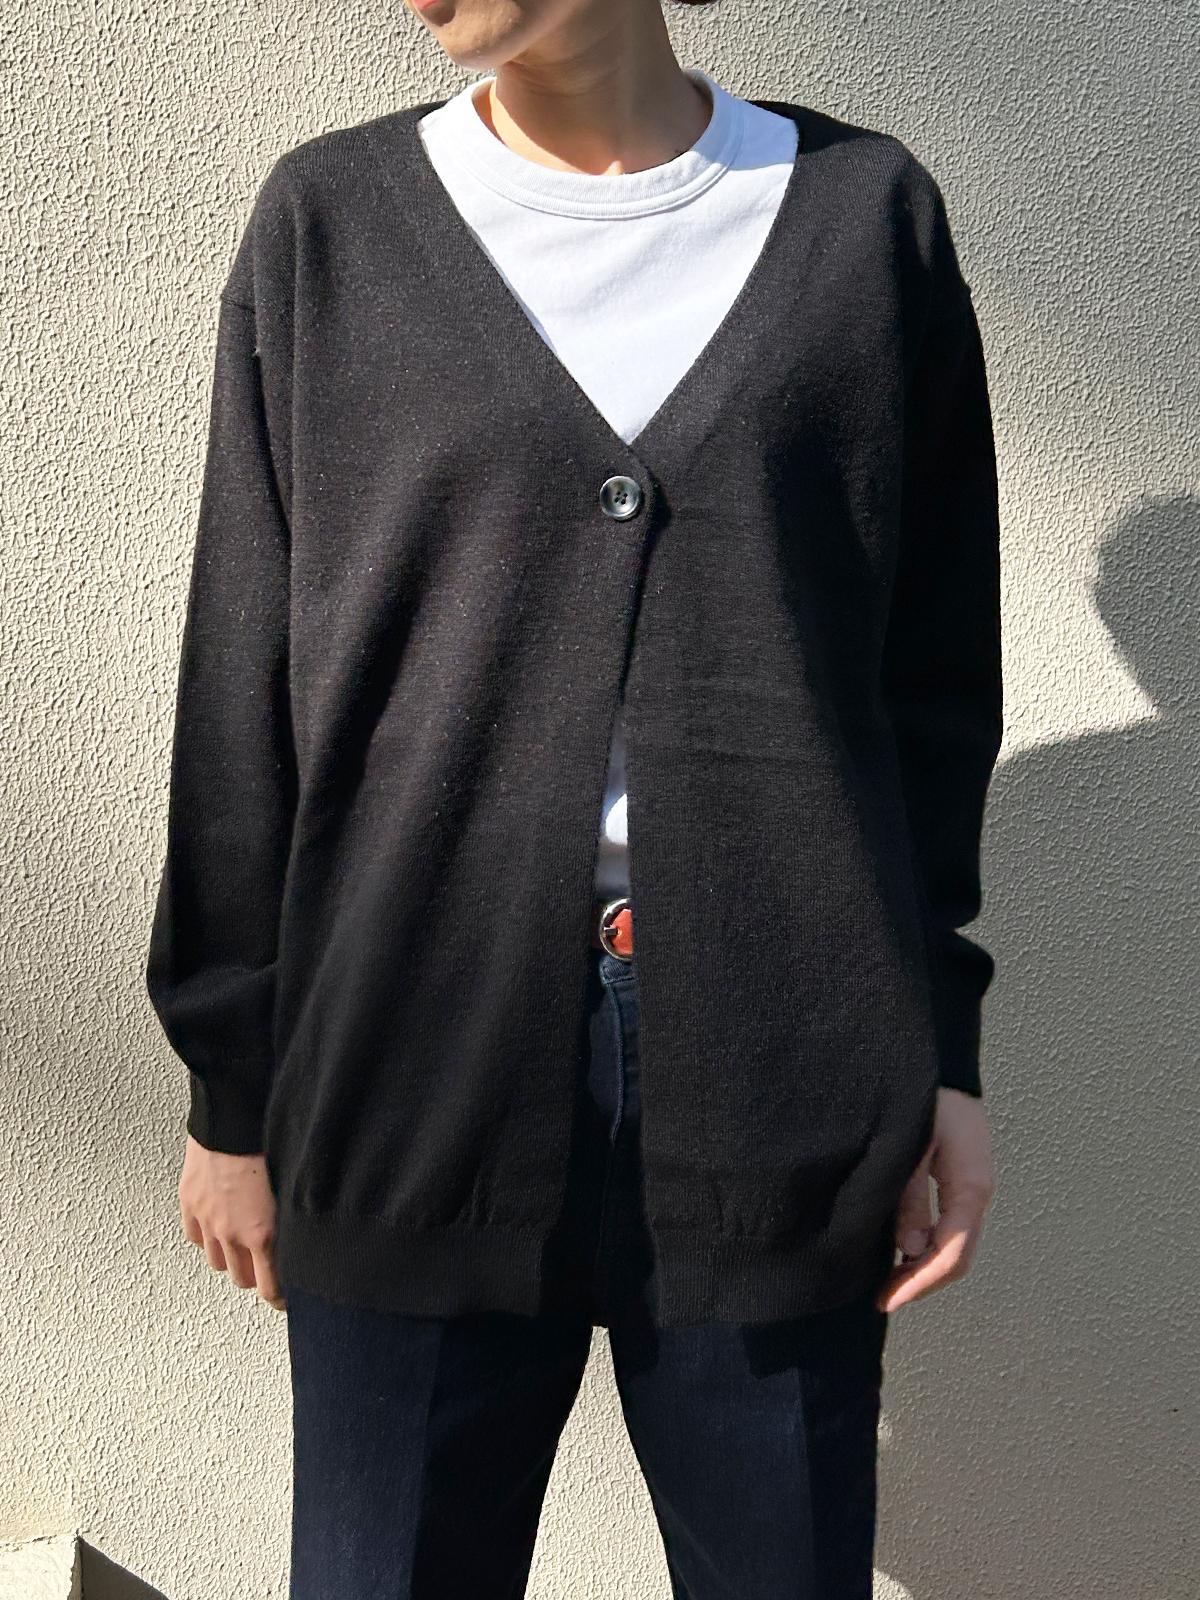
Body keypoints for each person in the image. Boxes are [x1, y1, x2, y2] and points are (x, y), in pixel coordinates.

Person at [145, 0, 1004, 1593]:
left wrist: (938, 1045)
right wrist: (231, 1083)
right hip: (408, 1064)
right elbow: (243, 676)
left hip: (787, 1067)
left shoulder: (864, 222)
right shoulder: (330, 227)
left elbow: (929, 689)